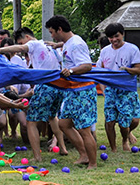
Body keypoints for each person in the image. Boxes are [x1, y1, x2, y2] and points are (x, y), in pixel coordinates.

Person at [0, 27, 68, 162]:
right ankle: (63, 148)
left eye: (20, 42)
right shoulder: (47, 45)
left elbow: (20, 49)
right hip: (58, 86)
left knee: (31, 122)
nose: (21, 46)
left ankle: (37, 157)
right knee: (52, 117)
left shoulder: (33, 44)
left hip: (45, 86)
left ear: (27, 37)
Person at [45, 16, 98, 168]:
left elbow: (87, 65)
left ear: (60, 29)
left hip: (83, 91)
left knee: (84, 129)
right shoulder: (69, 42)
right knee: (64, 123)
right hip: (72, 90)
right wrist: (56, 45)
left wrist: (72, 70)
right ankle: (84, 155)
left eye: (52, 32)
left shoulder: (76, 44)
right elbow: (65, 44)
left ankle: (92, 163)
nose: (52, 35)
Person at [97, 23, 140, 152]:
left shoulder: (133, 49)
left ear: (123, 34)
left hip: (127, 90)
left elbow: (138, 69)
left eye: (116, 36)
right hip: (111, 90)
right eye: (111, 37)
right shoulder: (105, 51)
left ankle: (125, 139)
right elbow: (100, 72)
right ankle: (114, 148)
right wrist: (104, 90)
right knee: (109, 121)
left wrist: (127, 70)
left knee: (128, 121)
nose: (114, 40)